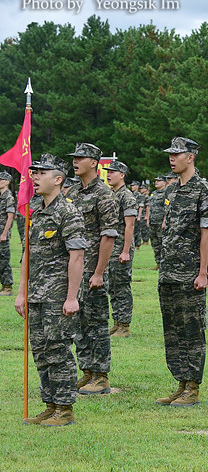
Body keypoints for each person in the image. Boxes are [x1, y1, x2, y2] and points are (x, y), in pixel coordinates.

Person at [16, 154, 85, 426]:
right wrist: (22, 293)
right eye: (34, 172)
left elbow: (77, 256)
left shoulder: (68, 211)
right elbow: (27, 255)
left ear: (58, 179)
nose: (34, 176)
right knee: (41, 351)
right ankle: (50, 403)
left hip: (57, 296)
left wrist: (71, 298)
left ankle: (65, 408)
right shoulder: (36, 210)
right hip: (36, 294)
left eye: (41, 173)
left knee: (58, 350)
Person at [155, 137, 208, 407]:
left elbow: (205, 233)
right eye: (170, 154)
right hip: (169, 272)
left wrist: (202, 272)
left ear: (191, 157)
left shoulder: (202, 189)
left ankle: (193, 386)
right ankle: (180, 382)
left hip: (190, 273)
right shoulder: (171, 190)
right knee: (173, 329)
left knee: (192, 329)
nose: (172, 158)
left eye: (177, 154)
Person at [66, 143, 119, 396]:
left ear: (94, 162)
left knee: (97, 323)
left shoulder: (104, 194)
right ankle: (86, 370)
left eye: (80, 158)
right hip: (76, 270)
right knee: (79, 324)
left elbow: (108, 237)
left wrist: (99, 272)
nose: (75, 162)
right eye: (74, 158)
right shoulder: (73, 193)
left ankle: (101, 376)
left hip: (93, 270)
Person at [105, 161, 138, 339]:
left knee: (122, 286)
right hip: (110, 247)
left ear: (122, 175)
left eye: (113, 172)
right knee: (113, 285)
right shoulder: (111, 194)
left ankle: (124, 326)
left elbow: (129, 225)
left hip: (120, 247)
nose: (109, 175)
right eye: (108, 172)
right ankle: (117, 323)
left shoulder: (127, 196)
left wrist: (125, 250)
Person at [145, 175, 167, 270]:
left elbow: (167, 209)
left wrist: (164, 221)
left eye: (159, 181)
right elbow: (149, 206)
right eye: (156, 180)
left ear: (164, 183)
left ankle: (164, 264)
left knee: (162, 243)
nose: (156, 182)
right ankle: (158, 263)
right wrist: (148, 219)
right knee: (155, 243)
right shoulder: (153, 193)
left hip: (160, 222)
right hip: (153, 222)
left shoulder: (166, 193)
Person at [0, 170, 15, 295]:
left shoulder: (8, 197)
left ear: (6, 182)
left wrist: (4, 234)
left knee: (4, 260)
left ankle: (8, 287)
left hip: (2, 235)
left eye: (1, 180)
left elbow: (10, 217)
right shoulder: (1, 196)